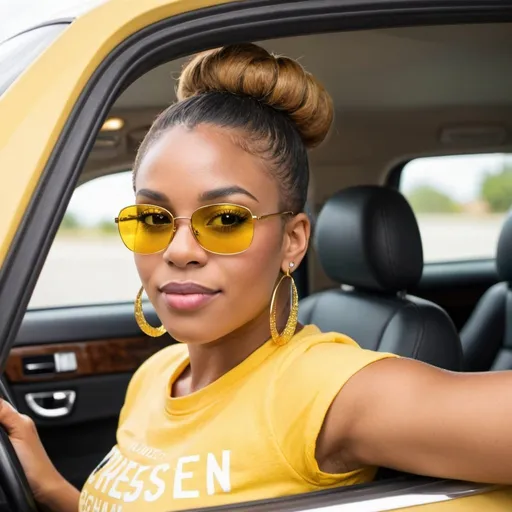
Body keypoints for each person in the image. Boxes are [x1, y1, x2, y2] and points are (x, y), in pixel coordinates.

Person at [1, 43, 511, 512]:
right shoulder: (156, 375)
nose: (179, 251)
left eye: (225, 219)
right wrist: (51, 488)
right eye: (154, 219)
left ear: (292, 241)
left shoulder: (323, 389)